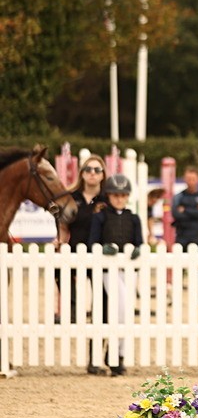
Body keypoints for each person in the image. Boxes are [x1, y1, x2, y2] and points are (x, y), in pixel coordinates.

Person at [88, 174, 144, 376]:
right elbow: (92, 243)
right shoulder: (100, 217)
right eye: (115, 195)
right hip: (108, 270)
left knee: (126, 311)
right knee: (120, 308)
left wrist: (138, 250)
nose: (119, 199)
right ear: (109, 196)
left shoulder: (134, 218)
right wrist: (103, 249)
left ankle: (118, 354)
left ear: (127, 196)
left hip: (129, 270)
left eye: (123, 195)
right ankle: (113, 353)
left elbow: (140, 242)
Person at [55, 155, 108, 328]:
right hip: (74, 250)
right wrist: (60, 241)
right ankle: (75, 309)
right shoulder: (71, 197)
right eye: (88, 169)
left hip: (100, 252)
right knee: (59, 273)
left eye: (97, 170)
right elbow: (63, 226)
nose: (92, 173)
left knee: (102, 292)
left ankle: (99, 324)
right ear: (82, 173)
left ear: (103, 175)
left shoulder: (107, 199)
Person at [172, 165, 198, 302]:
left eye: (193, 179)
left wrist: (185, 210)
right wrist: (195, 210)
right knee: (179, 267)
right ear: (185, 179)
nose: (191, 181)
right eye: (188, 178)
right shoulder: (179, 196)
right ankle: (176, 296)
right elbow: (175, 214)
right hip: (182, 235)